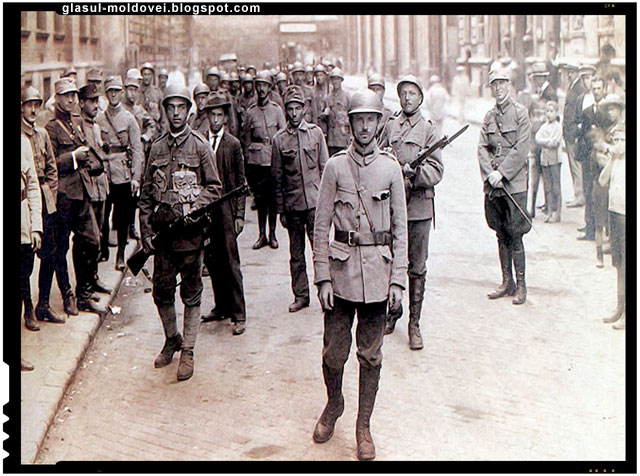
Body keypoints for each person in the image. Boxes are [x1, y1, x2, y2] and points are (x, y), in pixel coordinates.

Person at [312, 89, 408, 461]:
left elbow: (400, 230)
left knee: (370, 356)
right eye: (358, 119)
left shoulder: (391, 169)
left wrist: (398, 280)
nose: (365, 126)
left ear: (379, 123)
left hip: (379, 278)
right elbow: (320, 227)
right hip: (340, 274)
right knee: (334, 355)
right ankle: (334, 404)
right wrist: (322, 278)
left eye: (371, 119)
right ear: (349, 123)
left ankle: (363, 426)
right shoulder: (335, 167)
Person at [138, 84, 222, 381]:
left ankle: (188, 349)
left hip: (190, 236)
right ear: (165, 110)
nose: (176, 113)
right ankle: (171, 337)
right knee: (161, 291)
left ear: (189, 110)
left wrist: (195, 207)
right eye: (171, 108)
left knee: (191, 292)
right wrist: (145, 231)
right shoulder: (157, 147)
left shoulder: (200, 145)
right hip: (163, 237)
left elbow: (215, 186)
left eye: (181, 108)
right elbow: (147, 194)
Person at [381, 74, 444, 350]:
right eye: (403, 93)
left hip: (418, 208)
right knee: (392, 262)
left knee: (417, 267)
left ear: (420, 98)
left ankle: (414, 324)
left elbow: (437, 169)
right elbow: (379, 154)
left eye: (413, 93)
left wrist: (415, 173)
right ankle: (393, 312)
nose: (407, 98)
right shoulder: (390, 125)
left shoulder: (429, 130)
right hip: (393, 207)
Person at [45, 77, 104, 314]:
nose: (71, 100)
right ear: (57, 99)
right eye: (66, 96)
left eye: (73, 95)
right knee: (60, 249)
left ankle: (84, 294)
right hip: (63, 197)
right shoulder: (51, 128)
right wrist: (73, 158)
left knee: (91, 241)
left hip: (82, 193)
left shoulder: (75, 124)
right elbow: (50, 164)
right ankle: (68, 294)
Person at [272, 85, 329, 313]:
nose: (294, 113)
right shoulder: (279, 140)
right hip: (293, 206)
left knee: (320, 251)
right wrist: (280, 210)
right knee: (296, 254)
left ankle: (326, 294)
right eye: (290, 109)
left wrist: (328, 204)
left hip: (315, 204)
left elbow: (326, 169)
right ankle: (301, 295)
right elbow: (277, 178)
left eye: (298, 108)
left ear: (304, 109)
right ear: (286, 111)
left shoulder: (316, 134)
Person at [477, 68, 532, 305]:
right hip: (494, 185)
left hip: (514, 184)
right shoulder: (489, 117)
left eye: (502, 84)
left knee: (515, 234)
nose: (498, 89)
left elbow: (522, 149)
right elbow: (482, 147)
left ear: (509, 85)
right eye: (494, 85)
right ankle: (506, 281)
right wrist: (490, 174)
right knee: (500, 232)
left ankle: (521, 286)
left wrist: (502, 172)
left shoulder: (521, 113)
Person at [200, 90, 248, 335]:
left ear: (226, 118)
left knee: (230, 262)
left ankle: (239, 314)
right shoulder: (200, 142)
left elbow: (241, 183)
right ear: (207, 116)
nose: (216, 120)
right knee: (211, 259)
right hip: (206, 211)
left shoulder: (233, 145)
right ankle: (221, 306)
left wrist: (239, 215)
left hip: (227, 210)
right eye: (212, 115)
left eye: (220, 115)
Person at [21, 85, 65, 324]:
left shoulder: (42, 135)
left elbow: (52, 170)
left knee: (50, 252)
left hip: (43, 199)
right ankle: (27, 307)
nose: (33, 110)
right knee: (24, 260)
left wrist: (51, 197)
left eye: (36, 105)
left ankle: (44, 305)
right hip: (23, 201)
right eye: (29, 105)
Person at [97, 76, 144, 270]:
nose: (114, 94)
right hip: (105, 172)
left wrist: (135, 177)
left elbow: (137, 149)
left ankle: (120, 255)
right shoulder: (99, 119)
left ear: (121, 92)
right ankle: (104, 250)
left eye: (117, 90)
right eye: (110, 91)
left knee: (123, 217)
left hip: (123, 173)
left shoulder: (129, 119)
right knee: (103, 214)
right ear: (106, 94)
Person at [242, 70, 286, 250]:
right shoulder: (251, 112)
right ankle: (261, 235)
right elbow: (246, 138)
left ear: (270, 88)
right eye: (258, 85)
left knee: (273, 200)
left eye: (265, 85)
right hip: (256, 162)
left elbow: (284, 135)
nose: (261, 89)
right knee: (260, 200)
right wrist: (248, 163)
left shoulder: (276, 110)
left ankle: (273, 235)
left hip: (273, 161)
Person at [78, 83, 113, 297]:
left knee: (98, 234)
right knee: (87, 240)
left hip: (100, 187)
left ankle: (94, 277)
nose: (95, 106)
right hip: (87, 188)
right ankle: (86, 284)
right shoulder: (79, 127)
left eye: (96, 101)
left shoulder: (97, 127)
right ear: (81, 103)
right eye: (91, 101)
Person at [598, 124, 625, 329]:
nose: (618, 144)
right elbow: (602, 180)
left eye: (623, 140)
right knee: (618, 263)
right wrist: (612, 159)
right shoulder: (616, 162)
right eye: (616, 140)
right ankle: (619, 306)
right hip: (614, 214)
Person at [575, 76, 608, 242]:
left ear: (604, 89)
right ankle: (590, 230)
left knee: (603, 195)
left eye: (599, 88)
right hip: (589, 159)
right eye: (593, 89)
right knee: (588, 192)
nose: (596, 91)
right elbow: (581, 135)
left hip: (604, 160)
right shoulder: (587, 111)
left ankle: (605, 233)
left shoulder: (609, 111)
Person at [21, 133, 43, 370]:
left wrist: (36, 226)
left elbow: (33, 186)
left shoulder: (23, 143)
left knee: (21, 280)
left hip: (22, 225)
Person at [562, 60, 586, 209]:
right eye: (568, 72)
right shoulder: (572, 86)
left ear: (577, 72)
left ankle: (579, 196)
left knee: (577, 166)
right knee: (573, 165)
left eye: (571, 72)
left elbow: (579, 112)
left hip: (574, 133)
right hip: (569, 132)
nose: (569, 75)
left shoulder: (579, 88)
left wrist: (577, 132)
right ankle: (578, 194)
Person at [534, 100, 563, 222]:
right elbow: (537, 138)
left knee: (556, 186)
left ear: (556, 113)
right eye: (547, 111)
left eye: (551, 111)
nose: (549, 114)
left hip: (554, 160)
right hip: (545, 160)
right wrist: (547, 141)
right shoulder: (544, 126)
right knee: (547, 186)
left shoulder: (558, 126)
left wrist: (546, 142)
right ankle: (549, 211)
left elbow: (555, 142)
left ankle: (557, 213)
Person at [322, 68, 351, 157]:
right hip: (331, 138)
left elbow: (351, 116)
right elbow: (322, 119)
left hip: (343, 136)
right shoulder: (327, 98)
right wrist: (325, 114)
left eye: (337, 79)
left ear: (341, 80)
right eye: (333, 79)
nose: (335, 82)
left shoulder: (346, 96)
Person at [367, 73, 393, 145]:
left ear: (383, 91)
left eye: (378, 90)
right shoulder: (362, 112)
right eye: (372, 89)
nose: (375, 92)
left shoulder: (389, 115)